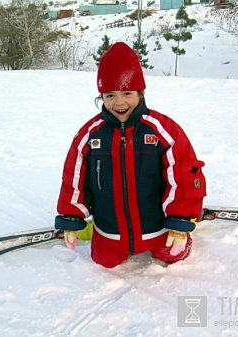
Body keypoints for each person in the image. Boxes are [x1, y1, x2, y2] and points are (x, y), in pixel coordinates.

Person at [55, 42, 206, 268]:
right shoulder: (91, 134)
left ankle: (183, 222)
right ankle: (93, 231)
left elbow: (184, 172)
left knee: (172, 255)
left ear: (140, 93)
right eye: (110, 95)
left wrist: (180, 218)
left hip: (157, 227)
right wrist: (71, 216)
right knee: (103, 260)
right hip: (111, 230)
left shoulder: (161, 129)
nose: (119, 102)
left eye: (127, 93)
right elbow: (74, 178)